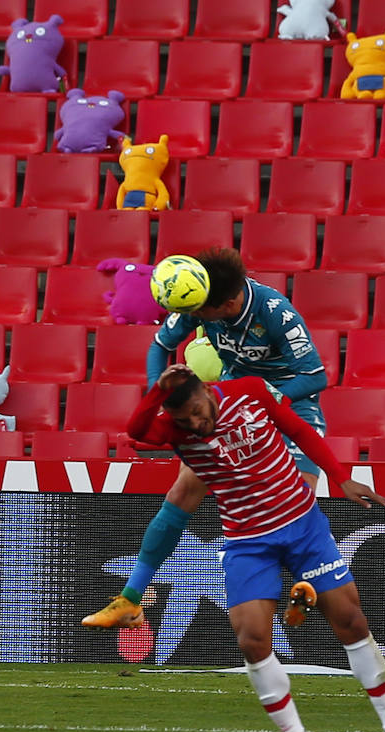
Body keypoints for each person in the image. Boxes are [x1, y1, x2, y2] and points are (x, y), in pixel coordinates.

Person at [126, 363, 385, 732]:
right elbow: (136, 431)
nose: (197, 423)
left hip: (302, 526)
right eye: (186, 419)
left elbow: (300, 430)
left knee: (350, 621)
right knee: (252, 639)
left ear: (207, 390)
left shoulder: (251, 391)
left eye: (198, 411)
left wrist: (339, 476)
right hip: (247, 541)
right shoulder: (174, 430)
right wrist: (157, 390)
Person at [83, 248, 329, 629]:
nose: (193, 320)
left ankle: (303, 587)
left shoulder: (276, 314)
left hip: (290, 404)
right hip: (232, 403)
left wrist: (264, 402)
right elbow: (160, 346)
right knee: (181, 494)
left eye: (201, 315)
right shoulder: (201, 299)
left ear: (228, 304)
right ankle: (130, 599)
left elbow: (315, 377)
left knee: (298, 499)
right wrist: (159, 392)